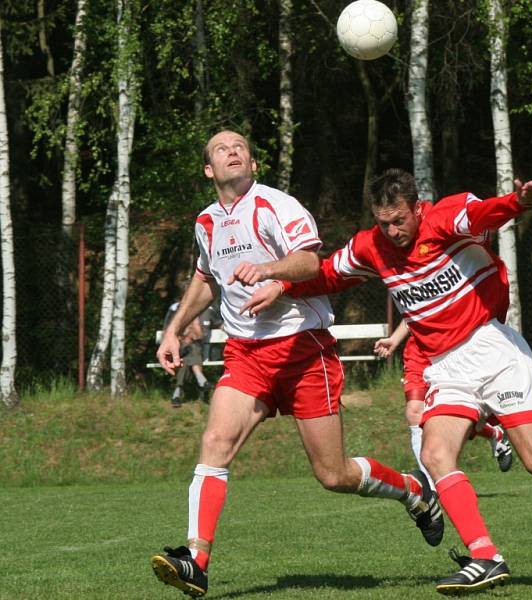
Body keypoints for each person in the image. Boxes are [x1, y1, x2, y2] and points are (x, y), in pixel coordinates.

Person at [242, 168, 532, 595]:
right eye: (383, 222)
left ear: (416, 207)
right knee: (436, 455)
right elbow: (329, 274)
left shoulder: (445, 217)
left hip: (492, 350)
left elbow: (483, 216)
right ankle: (485, 556)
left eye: (399, 220)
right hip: (444, 365)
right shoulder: (371, 245)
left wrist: (520, 203)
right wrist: (283, 286)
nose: (392, 231)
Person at [150, 133, 443, 597]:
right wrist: (174, 328)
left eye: (241, 145)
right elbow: (207, 278)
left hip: (303, 351)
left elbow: (310, 262)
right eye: (222, 148)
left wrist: (268, 271)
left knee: (334, 475)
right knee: (215, 441)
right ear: (209, 169)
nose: (233, 150)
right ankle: (196, 560)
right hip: (246, 354)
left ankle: (413, 491)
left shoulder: (276, 205)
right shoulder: (206, 222)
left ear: (251, 160)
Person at [374, 319, 513, 483]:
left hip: (453, 350)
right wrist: (395, 339)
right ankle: (432, 485)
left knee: (461, 415)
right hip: (419, 352)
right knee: (414, 411)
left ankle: (494, 434)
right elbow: (413, 310)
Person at [163, 302, 213, 407]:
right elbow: (168, 333)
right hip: (180, 349)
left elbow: (200, 335)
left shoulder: (200, 314)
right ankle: (201, 380)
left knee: (187, 358)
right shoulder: (175, 311)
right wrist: (183, 338)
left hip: (193, 350)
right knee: (191, 351)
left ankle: (176, 393)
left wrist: (193, 333)